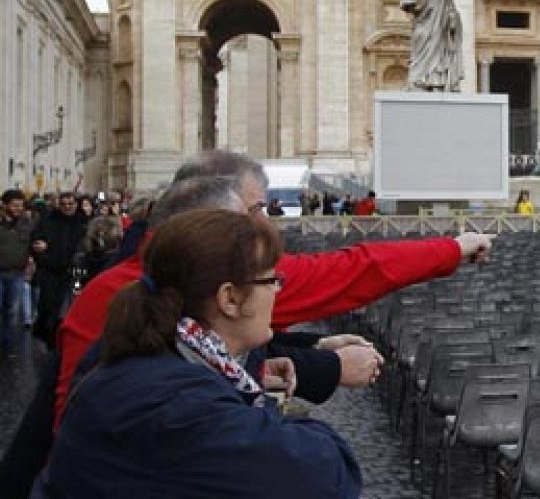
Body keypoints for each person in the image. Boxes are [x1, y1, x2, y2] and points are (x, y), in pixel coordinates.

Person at [51, 150, 492, 431]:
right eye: (254, 209)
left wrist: (306, 350)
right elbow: (349, 271)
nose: (265, 223)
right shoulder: (217, 279)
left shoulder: (126, 287)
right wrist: (453, 248)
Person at [37, 208, 362, 497]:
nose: (278, 292)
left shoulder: (145, 358)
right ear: (230, 299)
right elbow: (329, 473)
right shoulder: (179, 406)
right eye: (272, 281)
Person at [31, 192, 87, 344]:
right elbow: (36, 240)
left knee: (70, 308)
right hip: (51, 271)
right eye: (64, 204)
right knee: (48, 306)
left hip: (74, 274)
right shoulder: (48, 221)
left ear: (76, 204)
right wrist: (40, 251)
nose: (67, 207)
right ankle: (49, 337)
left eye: (71, 204)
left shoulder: (83, 221)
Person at [0, 189, 31, 354]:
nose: (18, 209)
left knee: (12, 311)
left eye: (21, 205)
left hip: (17, 273)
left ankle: (7, 346)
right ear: (4, 206)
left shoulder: (26, 223)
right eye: (14, 205)